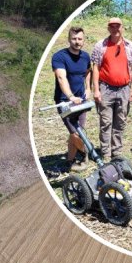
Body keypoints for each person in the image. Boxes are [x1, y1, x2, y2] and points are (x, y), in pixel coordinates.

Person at [91, 17, 132, 162]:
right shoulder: (101, 46)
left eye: (118, 26)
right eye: (112, 26)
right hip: (106, 88)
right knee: (106, 122)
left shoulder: (129, 46)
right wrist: (96, 90)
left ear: (122, 28)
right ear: (108, 28)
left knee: (120, 121)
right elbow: (95, 68)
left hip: (124, 89)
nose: (115, 29)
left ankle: (116, 152)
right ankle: (106, 153)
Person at [52, 27, 92, 172]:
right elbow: (61, 78)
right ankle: (85, 154)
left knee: (77, 132)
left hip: (81, 102)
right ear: (69, 39)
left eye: (79, 39)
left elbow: (88, 72)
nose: (77, 42)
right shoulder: (59, 57)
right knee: (75, 133)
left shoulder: (86, 57)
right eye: (74, 39)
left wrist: (88, 88)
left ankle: (70, 161)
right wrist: (70, 96)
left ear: (83, 40)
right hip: (64, 102)